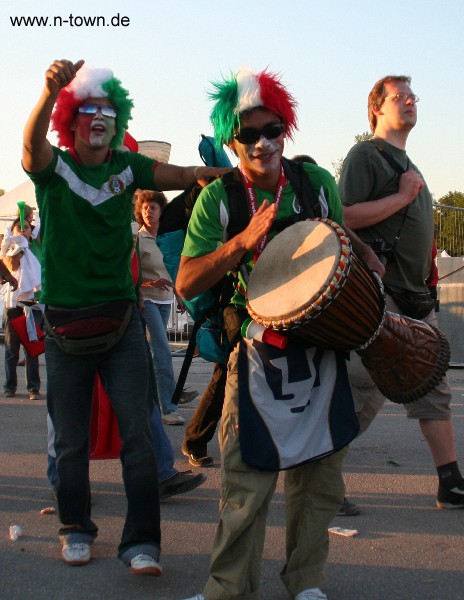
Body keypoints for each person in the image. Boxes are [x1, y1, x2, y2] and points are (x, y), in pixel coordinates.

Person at [176, 67, 383, 600]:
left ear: (285, 130)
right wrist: (242, 242)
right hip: (258, 353)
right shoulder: (219, 198)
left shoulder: (316, 184)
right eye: (249, 134)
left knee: (319, 481)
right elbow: (187, 279)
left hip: (323, 353)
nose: (262, 142)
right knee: (246, 482)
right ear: (231, 139)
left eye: (273, 130)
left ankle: (306, 582)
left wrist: (363, 255)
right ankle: (228, 588)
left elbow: (337, 238)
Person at [22, 58, 228, 573]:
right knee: (70, 441)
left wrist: (217, 174)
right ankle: (76, 527)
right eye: (87, 109)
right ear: (70, 119)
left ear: (118, 124)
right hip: (65, 328)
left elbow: (178, 174)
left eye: (108, 112)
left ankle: (142, 544)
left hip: (120, 327)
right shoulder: (55, 167)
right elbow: (30, 148)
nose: (98, 117)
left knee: (138, 434)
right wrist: (47, 92)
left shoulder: (127, 168)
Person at [339, 74, 464, 510]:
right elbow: (345, 216)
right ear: (376, 107)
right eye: (399, 97)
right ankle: (320, 478)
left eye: (413, 97)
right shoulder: (366, 155)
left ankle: (450, 482)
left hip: (415, 297)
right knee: (361, 390)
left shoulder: (410, 164)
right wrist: (404, 195)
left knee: (432, 382)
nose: (410, 102)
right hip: (380, 295)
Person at [134, 189, 197, 425]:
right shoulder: (137, 239)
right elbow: (131, 273)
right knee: (161, 351)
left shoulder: (168, 236)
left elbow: (173, 270)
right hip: (146, 300)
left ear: (162, 211)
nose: (149, 212)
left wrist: (179, 295)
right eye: (145, 208)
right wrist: (149, 283)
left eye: (154, 207)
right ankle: (169, 408)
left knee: (152, 355)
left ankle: (153, 400)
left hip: (165, 301)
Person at [1, 217, 41, 400]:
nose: (23, 230)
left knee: (31, 349)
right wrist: (17, 247)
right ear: (14, 229)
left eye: (26, 228)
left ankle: (33, 388)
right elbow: (10, 265)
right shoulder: (10, 249)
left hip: (32, 306)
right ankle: (10, 387)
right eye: (20, 227)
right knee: (11, 349)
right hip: (14, 305)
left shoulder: (36, 248)